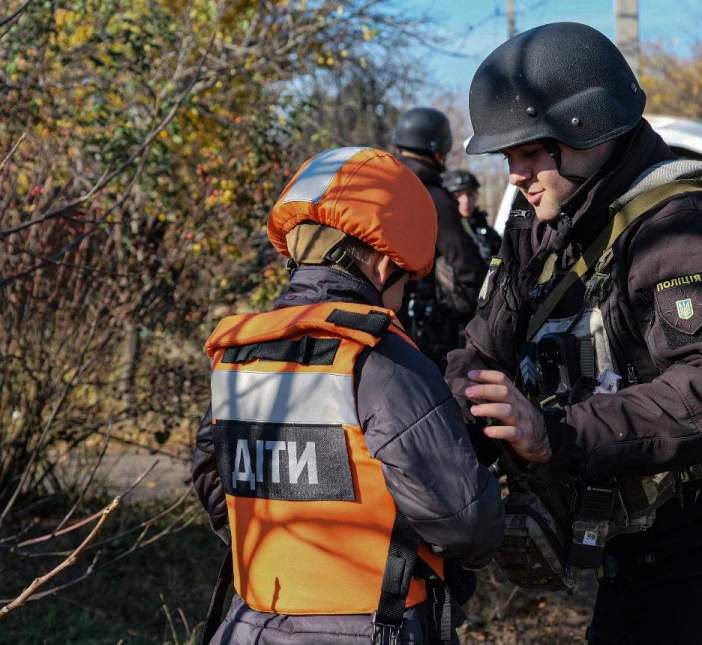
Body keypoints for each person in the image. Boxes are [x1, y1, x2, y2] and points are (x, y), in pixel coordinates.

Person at [445, 22, 702, 645]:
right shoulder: (542, 226)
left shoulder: (683, 228)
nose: (516, 175)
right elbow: (481, 352)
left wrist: (553, 432)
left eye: (531, 151)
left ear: (590, 126)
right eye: (507, 157)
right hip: (643, 553)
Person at [193, 146, 503, 645]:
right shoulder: (381, 358)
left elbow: (214, 482)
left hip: (248, 627)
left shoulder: (239, 355)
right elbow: (465, 524)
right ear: (383, 265)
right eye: (408, 281)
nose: (404, 300)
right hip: (373, 629)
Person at [392, 107, 487, 368]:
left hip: (376, 314)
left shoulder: (383, 186)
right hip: (423, 322)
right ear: (438, 151)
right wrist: (478, 315)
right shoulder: (433, 197)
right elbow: (464, 261)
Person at [441, 169, 502, 262]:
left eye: (470, 194)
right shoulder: (440, 233)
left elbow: (500, 263)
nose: (466, 201)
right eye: (457, 195)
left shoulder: (489, 235)